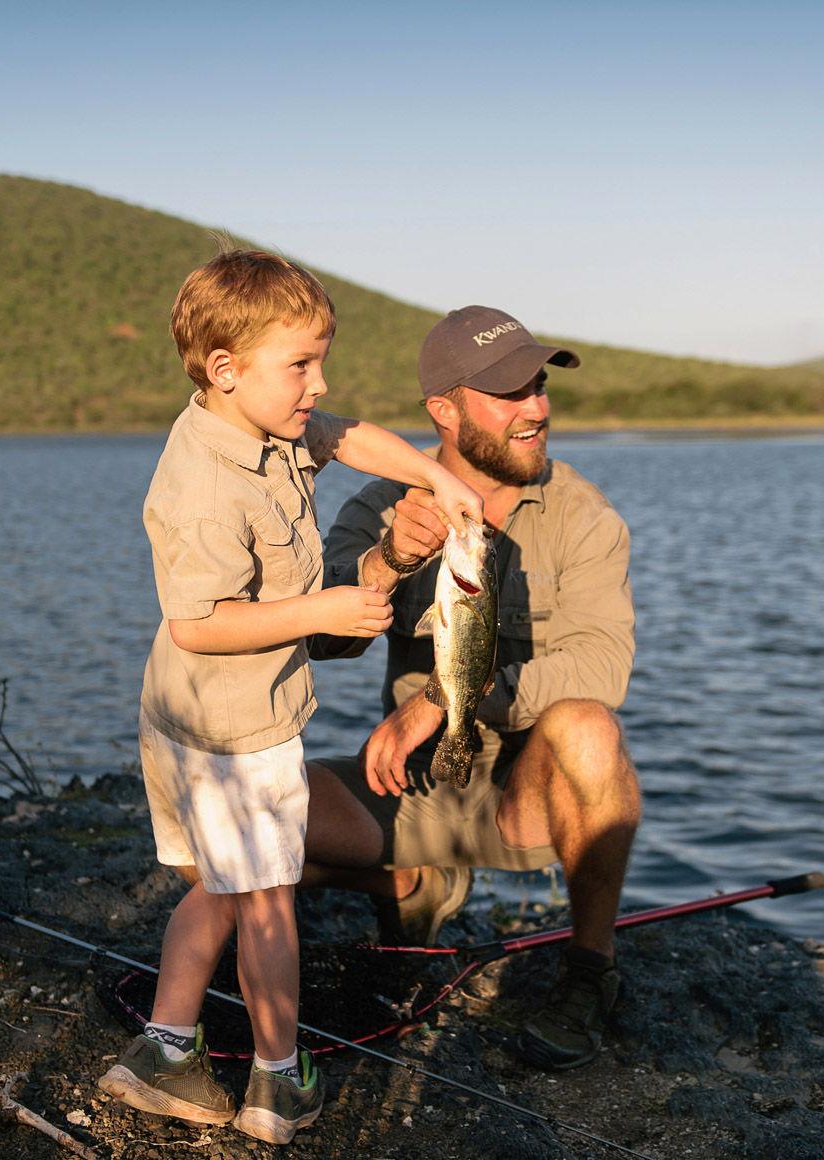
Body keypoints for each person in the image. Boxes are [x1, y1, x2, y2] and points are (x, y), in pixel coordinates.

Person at [97, 250, 482, 1144]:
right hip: (232, 728)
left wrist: (440, 479)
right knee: (268, 900)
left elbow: (351, 436)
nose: (319, 385)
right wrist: (330, 606)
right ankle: (278, 1084)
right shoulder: (202, 484)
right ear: (225, 368)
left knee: (223, 891)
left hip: (193, 713)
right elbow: (198, 621)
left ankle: (164, 1050)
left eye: (320, 360)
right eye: (301, 365)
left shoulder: (267, 418)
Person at [304, 304, 641, 1071]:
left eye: (539, 388)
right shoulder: (380, 504)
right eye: (509, 393)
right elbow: (322, 639)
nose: (537, 409)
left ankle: (591, 973)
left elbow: (602, 666)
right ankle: (412, 883)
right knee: (208, 842)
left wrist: (443, 701)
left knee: (591, 728)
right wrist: (389, 560)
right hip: (411, 790)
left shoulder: (585, 517)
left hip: (525, 798)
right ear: (443, 412)